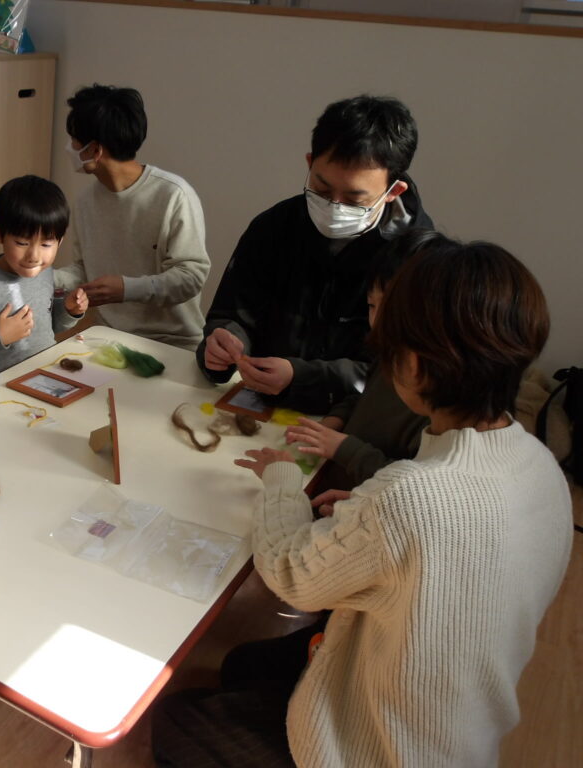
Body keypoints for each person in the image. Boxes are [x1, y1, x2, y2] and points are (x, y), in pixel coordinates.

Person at [153, 235, 572, 767]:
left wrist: (282, 479)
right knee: (240, 666)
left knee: (172, 719)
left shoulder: (412, 496)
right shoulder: (539, 465)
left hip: (384, 751)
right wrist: (367, 522)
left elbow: (289, 574)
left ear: (412, 366)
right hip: (457, 725)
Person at [198, 95, 433, 414]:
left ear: (394, 191)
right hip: (257, 405)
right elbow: (232, 311)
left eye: (354, 200)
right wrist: (223, 342)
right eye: (322, 189)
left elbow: (397, 374)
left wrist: (301, 377)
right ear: (310, 163)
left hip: (351, 422)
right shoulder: (274, 227)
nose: (333, 207)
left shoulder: (417, 262)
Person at [53, 84, 210, 350]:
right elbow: (85, 269)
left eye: (74, 140)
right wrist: (41, 278)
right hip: (108, 336)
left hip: (174, 342)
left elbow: (191, 277)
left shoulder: (174, 195)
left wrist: (127, 289)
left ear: (94, 150)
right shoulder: (85, 201)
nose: (70, 147)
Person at [283, 229, 435, 493]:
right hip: (336, 486)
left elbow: (409, 488)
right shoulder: (390, 353)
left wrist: (344, 448)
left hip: (367, 499)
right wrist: (335, 420)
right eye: (372, 306)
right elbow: (364, 397)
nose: (377, 321)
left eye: (391, 308)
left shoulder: (438, 404)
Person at [0, 175, 88, 370]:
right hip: (0, 382)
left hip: (45, 371)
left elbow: (46, 329)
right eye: (22, 243)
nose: (34, 256)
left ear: (60, 241)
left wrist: (68, 310)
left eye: (46, 244)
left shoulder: (45, 273)